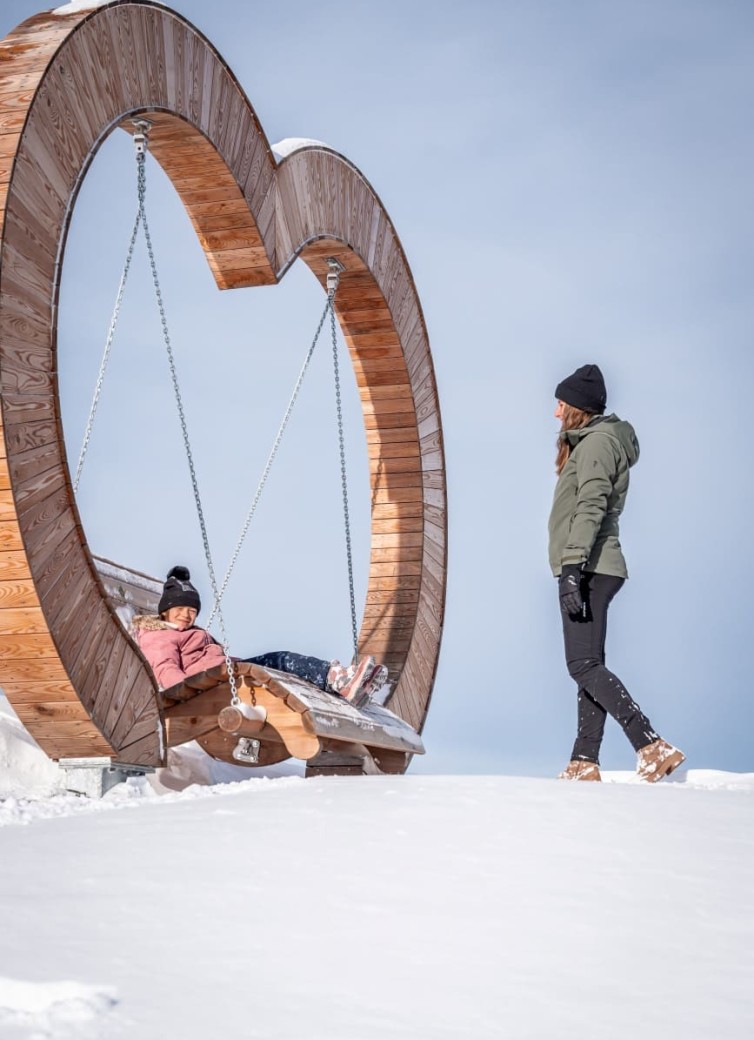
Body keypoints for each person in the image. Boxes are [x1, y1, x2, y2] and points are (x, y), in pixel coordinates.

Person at [548, 363, 685, 782]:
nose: (555, 412)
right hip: (591, 563)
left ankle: (650, 744)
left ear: (577, 408)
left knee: (583, 665)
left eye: (560, 404)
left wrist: (572, 566)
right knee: (589, 664)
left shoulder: (596, 445)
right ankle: (584, 761)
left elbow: (591, 506)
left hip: (589, 565)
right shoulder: (594, 441)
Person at [131, 566, 387, 707]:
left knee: (283, 668)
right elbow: (165, 668)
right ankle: (338, 680)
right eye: (179, 610)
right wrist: (185, 694)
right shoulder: (158, 635)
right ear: (165, 611)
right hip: (213, 682)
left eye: (191, 611)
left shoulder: (190, 632)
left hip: (229, 671)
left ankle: (343, 684)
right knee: (282, 660)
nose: (186, 616)